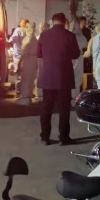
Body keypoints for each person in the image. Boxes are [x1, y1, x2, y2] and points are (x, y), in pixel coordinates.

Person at [37, 13, 81, 146]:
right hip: (64, 77)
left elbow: (39, 53)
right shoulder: (70, 36)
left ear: (52, 21)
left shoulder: (44, 35)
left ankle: (45, 137)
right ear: (64, 22)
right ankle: (64, 137)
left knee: (46, 107)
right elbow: (76, 54)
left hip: (48, 77)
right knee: (64, 108)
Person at [17, 22, 38, 105]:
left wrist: (19, 63)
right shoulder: (35, 39)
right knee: (30, 80)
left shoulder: (27, 39)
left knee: (26, 79)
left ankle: (25, 98)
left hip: (28, 60)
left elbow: (24, 52)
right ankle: (28, 97)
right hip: (34, 61)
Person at [71, 21, 89, 102]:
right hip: (76, 59)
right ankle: (74, 96)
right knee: (76, 78)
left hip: (75, 59)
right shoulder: (82, 38)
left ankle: (73, 96)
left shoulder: (71, 36)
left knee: (75, 78)